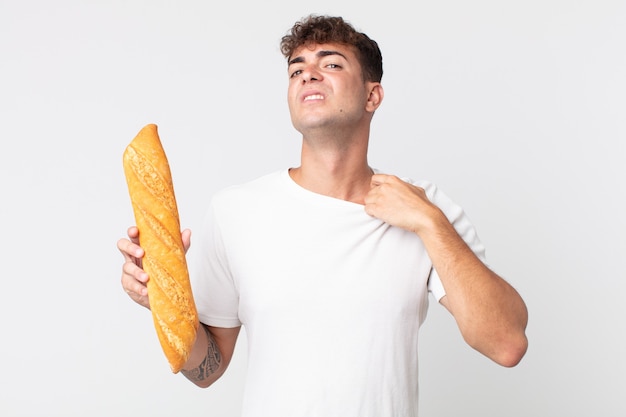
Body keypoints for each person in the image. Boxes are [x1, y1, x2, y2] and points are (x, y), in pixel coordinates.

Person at [118, 14, 528, 417]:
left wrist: (429, 222)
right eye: (297, 70)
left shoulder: (422, 207)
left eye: (330, 64)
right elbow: (207, 369)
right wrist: (161, 301)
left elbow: (506, 343)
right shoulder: (235, 211)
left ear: (372, 96)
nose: (308, 75)